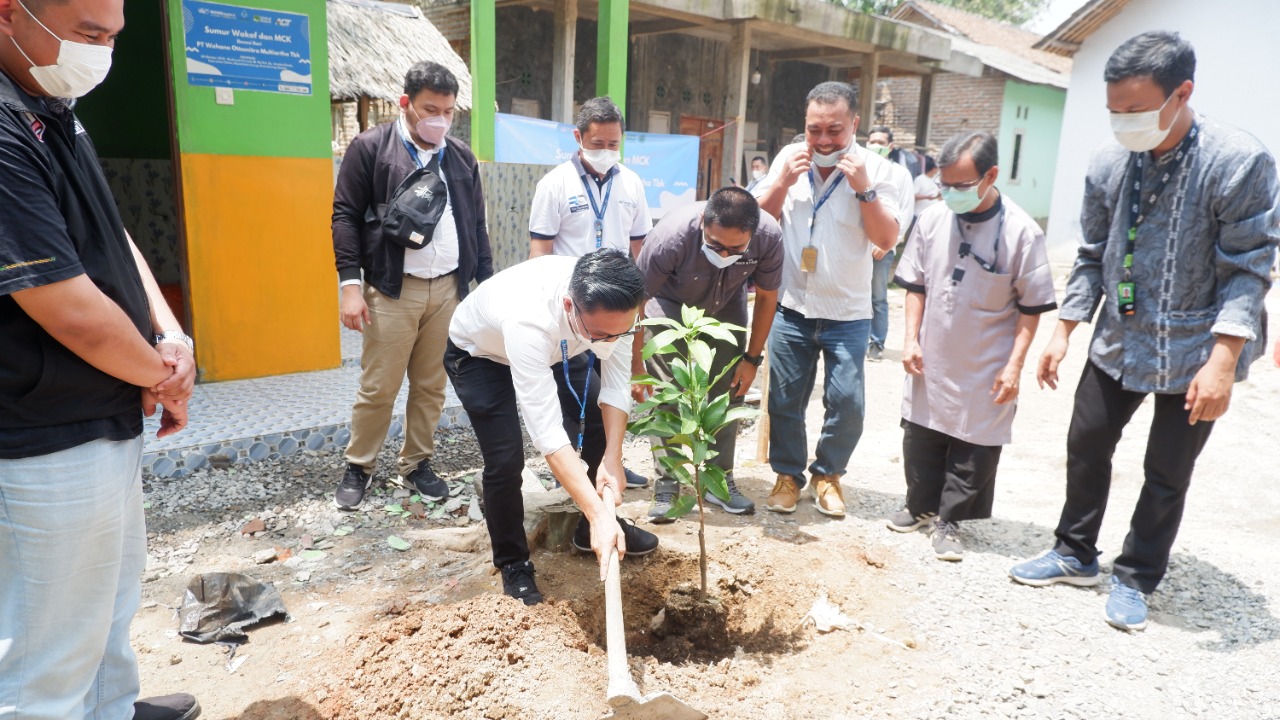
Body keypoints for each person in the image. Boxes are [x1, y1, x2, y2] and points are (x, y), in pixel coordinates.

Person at [1009, 32, 1279, 631]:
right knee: (1086, 446)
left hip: (1195, 348)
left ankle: (1136, 576)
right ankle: (1074, 552)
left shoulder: (1238, 161)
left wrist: (1224, 360)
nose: (1122, 123)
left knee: (1166, 470)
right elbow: (1090, 255)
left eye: (1136, 111)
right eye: (1114, 110)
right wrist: (1065, 329)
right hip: (1118, 340)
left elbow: (1249, 266)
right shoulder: (1109, 161)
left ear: (1181, 93)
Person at [0, 0, 200, 717]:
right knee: (46, 652)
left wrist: (170, 338)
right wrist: (163, 378)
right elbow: (69, 310)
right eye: (88, 36)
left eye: (113, 38)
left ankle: (112, 709)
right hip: (41, 429)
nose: (102, 54)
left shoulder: (55, 105)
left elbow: (114, 235)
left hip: (102, 410)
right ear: (8, 16)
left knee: (106, 605)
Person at [445, 250, 660, 606]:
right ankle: (514, 563)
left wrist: (613, 458)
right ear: (568, 305)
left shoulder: (614, 309)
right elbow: (548, 435)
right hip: (480, 355)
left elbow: (617, 386)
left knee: (595, 417)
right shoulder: (528, 318)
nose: (614, 341)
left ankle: (588, 527)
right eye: (604, 335)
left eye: (620, 333)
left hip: (563, 346)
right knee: (505, 457)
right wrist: (597, 511)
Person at [888, 131, 1057, 561]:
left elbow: (1032, 307)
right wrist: (910, 339)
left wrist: (1015, 365)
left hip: (986, 359)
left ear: (991, 175)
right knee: (921, 432)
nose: (950, 194)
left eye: (961, 186)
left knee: (974, 440)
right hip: (933, 351)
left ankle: (951, 521)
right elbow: (915, 285)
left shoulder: (1021, 232)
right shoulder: (932, 218)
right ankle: (921, 505)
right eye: (944, 184)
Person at [331, 61, 492, 510]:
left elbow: (476, 225)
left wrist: (487, 287)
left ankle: (417, 463)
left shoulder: (459, 157)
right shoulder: (371, 148)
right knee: (379, 386)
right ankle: (359, 466)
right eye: (429, 109)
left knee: (431, 385)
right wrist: (349, 284)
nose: (440, 119)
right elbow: (344, 215)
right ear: (406, 104)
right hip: (392, 288)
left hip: (448, 291)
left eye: (448, 110)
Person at [753, 82, 911, 517]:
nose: (823, 141)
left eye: (834, 130)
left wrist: (863, 189)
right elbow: (757, 222)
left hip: (848, 313)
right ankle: (788, 475)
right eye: (814, 130)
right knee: (784, 400)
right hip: (792, 307)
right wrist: (782, 182)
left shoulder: (881, 171)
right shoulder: (789, 158)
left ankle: (828, 475)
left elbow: (885, 239)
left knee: (847, 403)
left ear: (854, 124)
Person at [632, 187, 784, 521]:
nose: (725, 253)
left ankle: (717, 481)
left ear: (753, 235)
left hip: (728, 306)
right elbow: (637, 301)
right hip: (670, 307)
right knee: (667, 394)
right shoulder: (670, 239)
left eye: (736, 249)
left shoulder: (770, 237)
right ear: (703, 222)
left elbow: (768, 298)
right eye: (715, 245)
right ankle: (668, 484)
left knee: (729, 392)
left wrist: (751, 360)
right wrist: (634, 366)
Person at [528, 96, 653, 489]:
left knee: (614, 394)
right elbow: (539, 253)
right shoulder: (554, 185)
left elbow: (640, 253)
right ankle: (579, 473)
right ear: (578, 137)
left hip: (616, 308)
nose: (605, 152)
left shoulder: (631, 183)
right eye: (597, 144)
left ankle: (608, 463)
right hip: (574, 312)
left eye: (613, 144)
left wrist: (639, 313)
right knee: (579, 397)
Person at [865, 126, 916, 362]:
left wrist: (888, 243)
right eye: (871, 140)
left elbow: (905, 213)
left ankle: (876, 343)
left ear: (891, 146)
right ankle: (858, 340)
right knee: (857, 295)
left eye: (880, 141)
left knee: (877, 296)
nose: (875, 145)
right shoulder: (859, 167)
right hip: (859, 246)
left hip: (881, 248)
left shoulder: (900, 174)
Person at [910, 155, 942, 237]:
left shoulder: (936, 180)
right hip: (919, 214)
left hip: (933, 215)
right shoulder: (920, 179)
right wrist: (927, 197)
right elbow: (913, 195)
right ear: (934, 169)